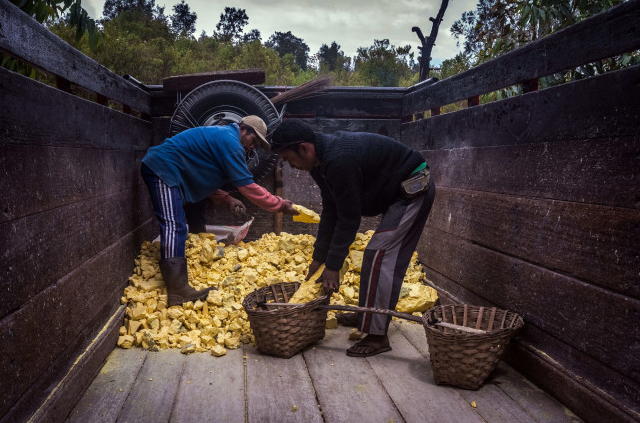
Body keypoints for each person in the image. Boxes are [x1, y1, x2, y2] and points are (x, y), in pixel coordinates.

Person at [271, 120, 436, 357]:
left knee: (379, 254)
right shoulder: (319, 164)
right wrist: (318, 259)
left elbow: (349, 217)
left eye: (289, 159)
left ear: (304, 148)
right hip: (395, 193)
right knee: (375, 254)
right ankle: (368, 314)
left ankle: (378, 336)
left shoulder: (339, 159)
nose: (292, 166)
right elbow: (331, 210)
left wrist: (333, 266)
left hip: (413, 187)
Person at [141, 115, 297, 307]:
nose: (253, 147)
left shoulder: (225, 139)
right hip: (162, 167)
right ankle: (177, 290)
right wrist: (279, 204)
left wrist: (227, 199)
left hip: (171, 170)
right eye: (253, 140)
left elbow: (202, 175)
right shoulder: (230, 143)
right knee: (174, 225)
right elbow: (247, 186)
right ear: (243, 129)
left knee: (178, 223)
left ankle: (178, 283)